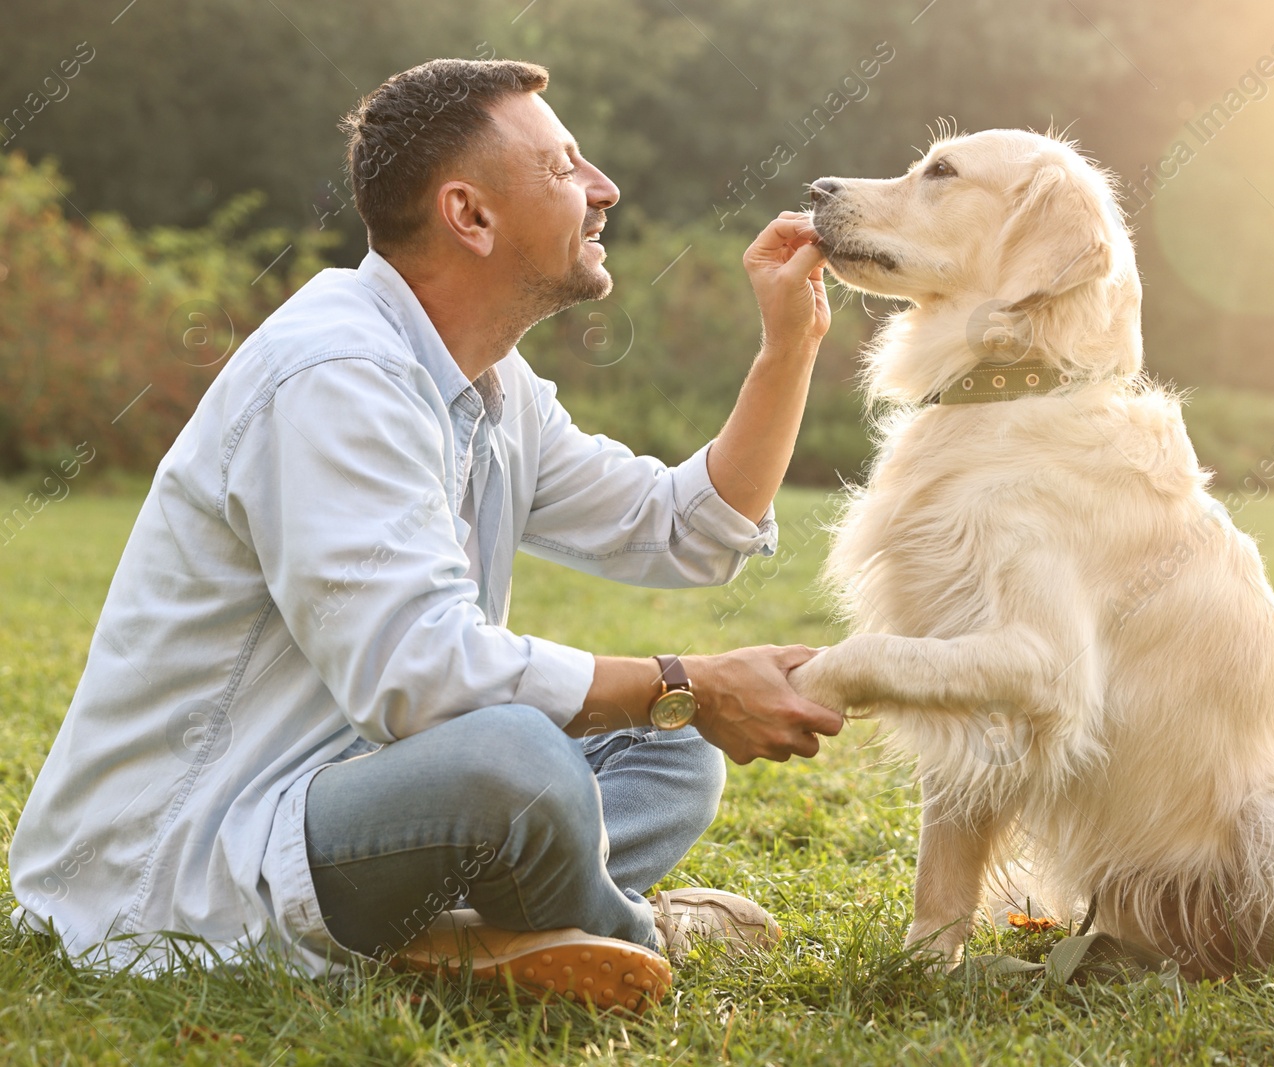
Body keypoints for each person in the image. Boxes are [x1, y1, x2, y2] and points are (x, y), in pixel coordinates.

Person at [8, 58, 842, 1012]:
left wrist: (789, 348)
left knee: (671, 743)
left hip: (363, 804)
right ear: (470, 215)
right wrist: (688, 678)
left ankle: (477, 936)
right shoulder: (335, 373)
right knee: (518, 761)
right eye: (566, 167)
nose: (605, 188)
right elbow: (425, 678)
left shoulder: (495, 388)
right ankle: (630, 932)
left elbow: (685, 529)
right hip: (182, 870)